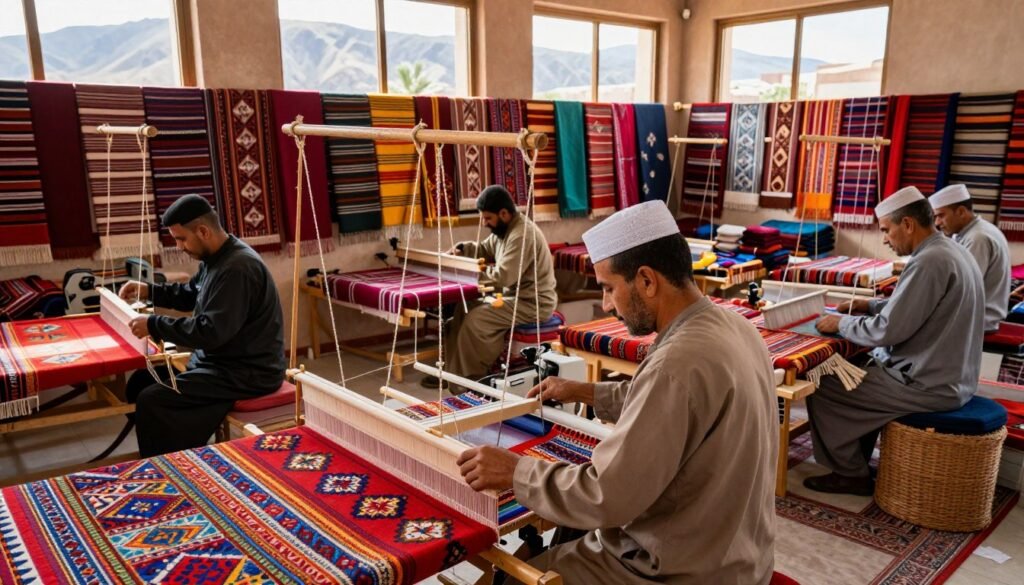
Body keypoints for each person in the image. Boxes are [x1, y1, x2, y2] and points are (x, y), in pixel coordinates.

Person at [457, 200, 777, 584]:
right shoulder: (733, 325)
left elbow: (605, 496)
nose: (608, 305)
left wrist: (515, 471)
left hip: (679, 571)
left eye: (609, 288)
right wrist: (583, 390)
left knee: (515, 576)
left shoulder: (676, 362)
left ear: (646, 280)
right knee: (564, 537)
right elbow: (672, 404)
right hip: (739, 555)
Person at [810, 186, 985, 494]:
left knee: (824, 383)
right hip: (954, 377)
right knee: (856, 369)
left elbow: (888, 331)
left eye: (886, 230)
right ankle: (857, 460)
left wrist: (843, 322)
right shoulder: (951, 250)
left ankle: (850, 473)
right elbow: (923, 309)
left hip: (928, 385)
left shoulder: (929, 260)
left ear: (907, 224)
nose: (885, 240)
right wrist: (871, 305)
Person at [120, 194, 286, 457]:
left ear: (203, 231)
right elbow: (190, 293)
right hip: (222, 362)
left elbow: (210, 332)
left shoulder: (237, 269)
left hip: (248, 371)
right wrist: (148, 291)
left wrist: (154, 325)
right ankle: (171, 453)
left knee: (152, 400)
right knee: (141, 382)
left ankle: (171, 468)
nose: (179, 246)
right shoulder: (216, 259)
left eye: (181, 239)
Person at [423, 185, 557, 386]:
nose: (485, 223)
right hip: (514, 298)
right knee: (461, 311)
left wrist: (467, 272)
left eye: (487, 218)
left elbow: (503, 277)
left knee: (476, 320)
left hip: (533, 303)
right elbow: (484, 249)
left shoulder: (521, 235)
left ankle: (469, 379)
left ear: (503, 213)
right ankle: (451, 374)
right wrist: (462, 251)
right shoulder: (504, 230)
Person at [928, 183, 1010, 332]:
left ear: (961, 211)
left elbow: (963, 288)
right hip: (973, 314)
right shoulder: (970, 232)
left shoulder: (977, 238)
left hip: (979, 320)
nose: (937, 223)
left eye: (941, 215)